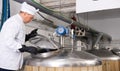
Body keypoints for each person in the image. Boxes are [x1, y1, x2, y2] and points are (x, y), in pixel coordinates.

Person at [0, 2, 39, 71]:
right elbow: (8, 40)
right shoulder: (13, 22)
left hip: (12, 62)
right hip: (7, 63)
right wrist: (26, 48)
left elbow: (18, 39)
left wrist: (29, 36)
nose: (31, 20)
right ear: (25, 13)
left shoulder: (20, 22)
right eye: (31, 18)